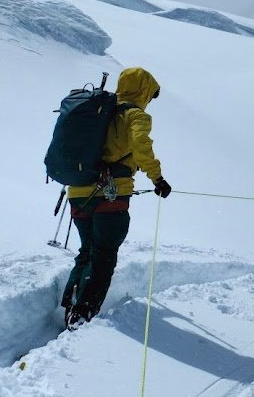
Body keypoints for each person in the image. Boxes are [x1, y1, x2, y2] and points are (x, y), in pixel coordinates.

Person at [61, 67, 171, 328]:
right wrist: (157, 179)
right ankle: (82, 314)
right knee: (103, 254)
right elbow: (141, 147)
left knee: (87, 251)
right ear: (143, 90)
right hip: (112, 193)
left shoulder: (99, 110)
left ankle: (68, 306)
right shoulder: (135, 116)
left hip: (77, 191)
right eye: (151, 94)